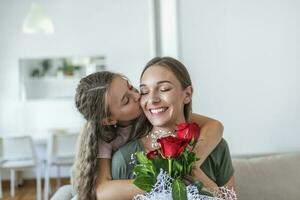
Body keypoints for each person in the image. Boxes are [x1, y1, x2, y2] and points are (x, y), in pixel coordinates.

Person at [74, 69, 224, 200]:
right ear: (109, 120)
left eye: (131, 87)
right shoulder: (105, 138)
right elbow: (101, 191)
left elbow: (214, 126)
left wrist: (191, 165)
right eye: (126, 100)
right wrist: (165, 180)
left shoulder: (153, 113)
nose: (137, 96)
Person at [111, 57, 235, 198]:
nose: (152, 99)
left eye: (164, 89)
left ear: (187, 94)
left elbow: (232, 198)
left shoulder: (217, 148)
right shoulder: (124, 159)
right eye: (144, 92)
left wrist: (204, 183)